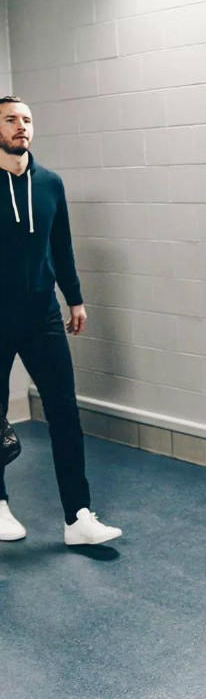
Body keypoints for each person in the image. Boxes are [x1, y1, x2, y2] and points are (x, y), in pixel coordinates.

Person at [0, 96, 122, 545]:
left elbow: (62, 245)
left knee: (65, 411)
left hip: (42, 314)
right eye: (10, 119)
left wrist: (75, 299)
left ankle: (78, 516)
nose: (21, 126)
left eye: (27, 119)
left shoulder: (50, 183)